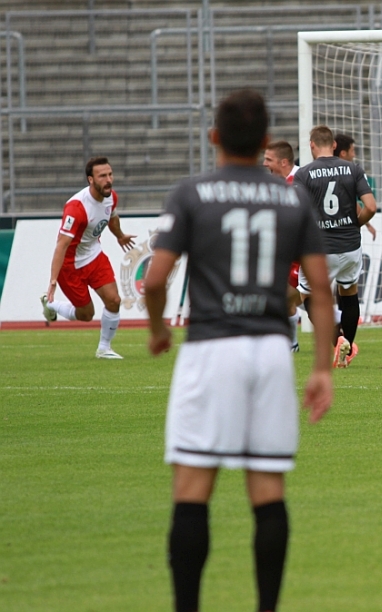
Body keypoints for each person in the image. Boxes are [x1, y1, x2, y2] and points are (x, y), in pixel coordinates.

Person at [144, 89, 335, 612]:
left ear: (215, 137)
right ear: (264, 142)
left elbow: (155, 280)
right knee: (268, 490)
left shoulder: (192, 193)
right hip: (271, 352)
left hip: (210, 349)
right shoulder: (293, 199)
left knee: (192, 487)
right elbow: (320, 290)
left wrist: (158, 329)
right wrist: (321, 367)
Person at [295, 125, 377, 368]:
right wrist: (355, 224)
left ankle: (337, 339)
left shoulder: (304, 173)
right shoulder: (353, 169)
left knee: (307, 295)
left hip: (320, 248)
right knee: (349, 292)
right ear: (333, 145)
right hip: (350, 246)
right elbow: (371, 207)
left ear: (311, 145)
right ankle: (347, 347)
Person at [40, 156, 136, 359]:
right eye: (102, 176)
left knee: (114, 300)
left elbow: (112, 217)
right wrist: (53, 281)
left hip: (94, 255)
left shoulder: (111, 197)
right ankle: (51, 305)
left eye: (110, 174)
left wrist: (120, 236)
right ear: (90, 180)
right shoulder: (76, 208)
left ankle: (104, 348)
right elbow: (61, 245)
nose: (108, 180)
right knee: (86, 314)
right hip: (70, 265)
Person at [263, 140, 306, 352]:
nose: (264, 164)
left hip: (304, 253)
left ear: (283, 162)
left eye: (268, 159)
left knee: (292, 297)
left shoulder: (301, 180)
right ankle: (291, 343)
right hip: (288, 253)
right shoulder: (281, 184)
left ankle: (342, 331)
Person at [333, 132, 376, 239]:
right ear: (343, 153)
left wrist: (368, 225)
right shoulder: (353, 172)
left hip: (325, 236)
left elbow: (352, 202)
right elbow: (371, 207)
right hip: (347, 235)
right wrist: (358, 224)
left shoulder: (320, 171)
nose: (354, 155)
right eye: (352, 151)